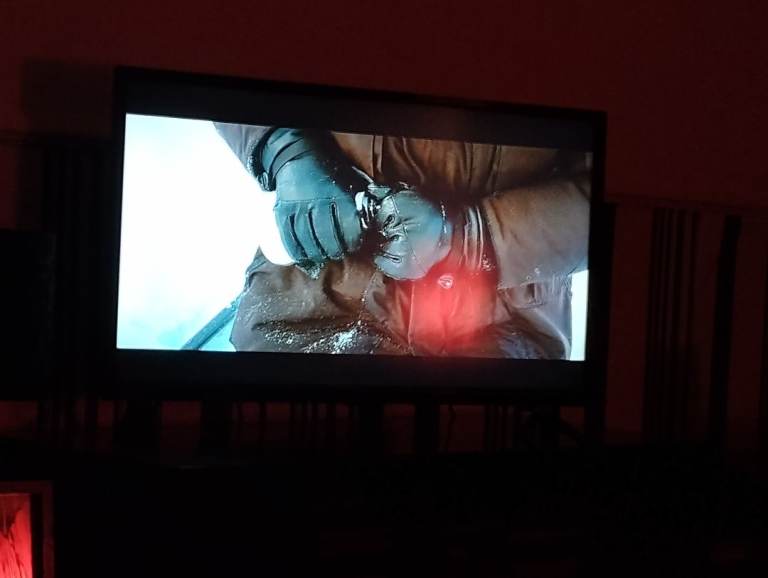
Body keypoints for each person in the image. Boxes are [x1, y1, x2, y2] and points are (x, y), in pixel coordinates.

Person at [214, 123, 591, 358]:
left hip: (504, 313)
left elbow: (608, 187)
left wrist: (468, 237)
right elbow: (236, 55)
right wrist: (284, 148)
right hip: (318, 289)